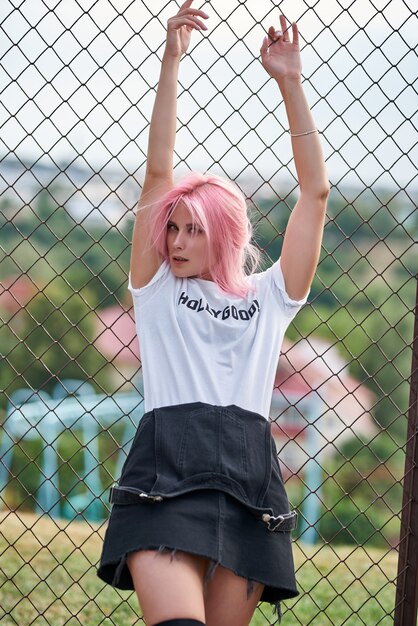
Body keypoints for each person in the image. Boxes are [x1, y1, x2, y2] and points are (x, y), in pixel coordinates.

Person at [97, 2, 329, 625]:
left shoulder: (269, 296)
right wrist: (171, 62)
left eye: (190, 230)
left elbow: (314, 194)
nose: (173, 241)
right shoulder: (157, 291)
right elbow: (157, 172)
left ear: (223, 236)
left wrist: (291, 82)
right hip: (167, 471)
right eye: (170, 227)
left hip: (249, 478)